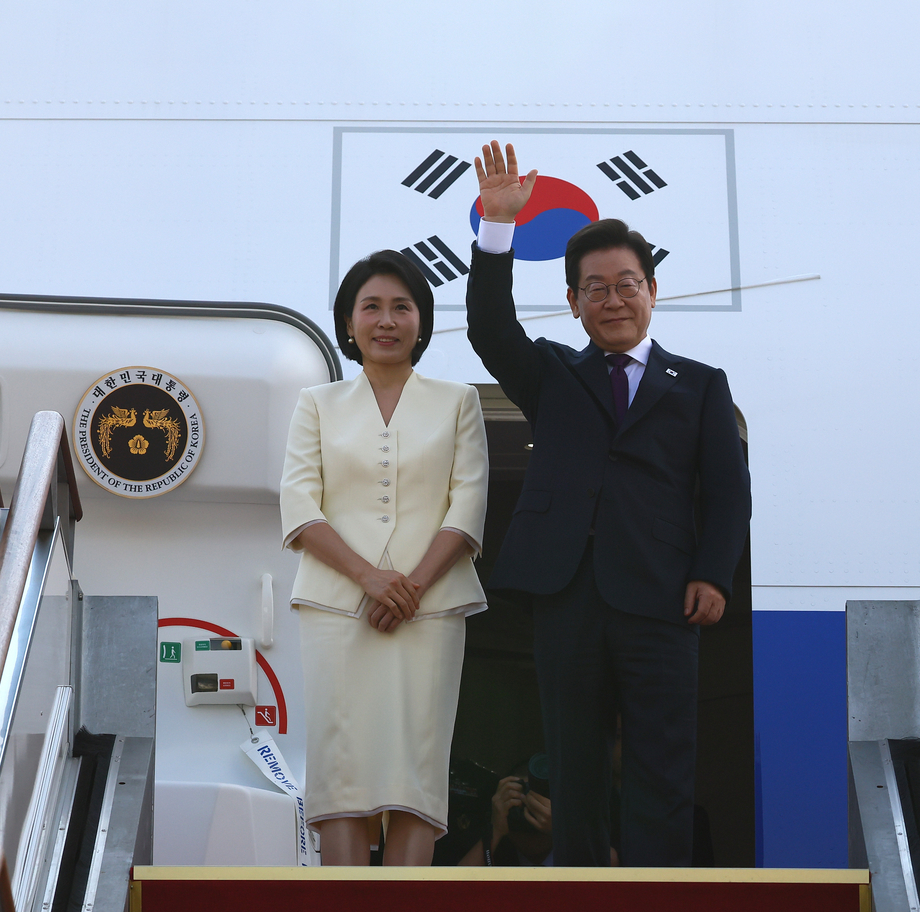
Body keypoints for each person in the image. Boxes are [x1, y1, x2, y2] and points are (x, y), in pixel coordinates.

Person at [465, 141, 751, 867]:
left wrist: (713, 575)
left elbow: (727, 492)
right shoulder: (554, 375)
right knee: (574, 759)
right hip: (569, 591)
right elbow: (490, 330)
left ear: (652, 291)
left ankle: (660, 911)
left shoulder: (701, 385)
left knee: (662, 760)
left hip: (664, 598)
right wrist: (499, 227)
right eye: (596, 288)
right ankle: (581, 900)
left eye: (627, 283)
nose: (613, 299)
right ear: (573, 302)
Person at [280, 249, 490, 866]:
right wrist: (369, 577)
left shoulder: (459, 401)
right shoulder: (317, 403)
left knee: (415, 770)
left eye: (402, 306)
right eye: (371, 306)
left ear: (421, 320)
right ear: (348, 321)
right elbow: (299, 502)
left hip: (432, 608)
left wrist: (412, 586)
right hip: (335, 606)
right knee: (340, 765)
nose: (386, 319)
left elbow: (467, 504)